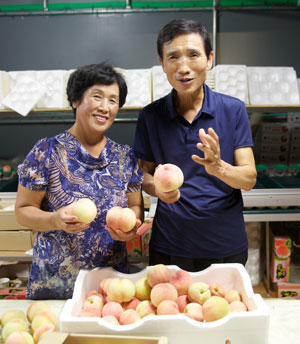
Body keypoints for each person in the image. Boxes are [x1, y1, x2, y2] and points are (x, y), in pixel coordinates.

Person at [132, 19, 257, 272]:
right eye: (173, 57)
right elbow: (141, 175)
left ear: (209, 59)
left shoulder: (233, 110)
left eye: (193, 55)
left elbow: (249, 178)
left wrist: (220, 168)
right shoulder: (150, 116)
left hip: (225, 245)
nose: (184, 67)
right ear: (162, 64)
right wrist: (155, 186)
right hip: (169, 246)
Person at [15, 62, 144, 299]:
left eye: (113, 100)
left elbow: (136, 206)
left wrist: (131, 226)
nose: (105, 107)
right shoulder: (46, 151)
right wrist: (55, 219)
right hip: (55, 284)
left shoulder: (125, 156)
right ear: (75, 100)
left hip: (111, 285)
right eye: (97, 96)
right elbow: (23, 210)